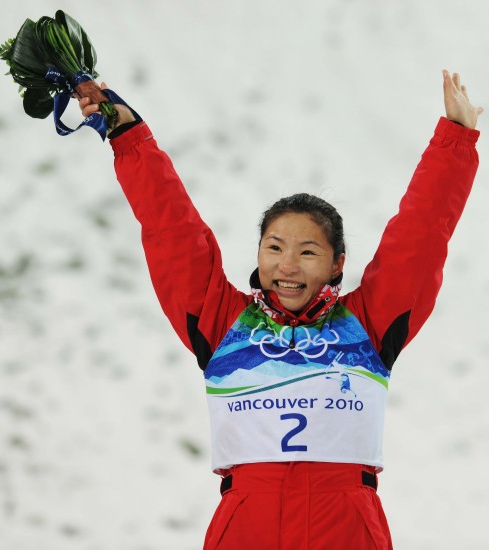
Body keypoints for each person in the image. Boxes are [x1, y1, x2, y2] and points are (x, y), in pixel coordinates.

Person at [78, 70, 482, 549]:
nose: (287, 266)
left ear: (337, 265)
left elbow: (419, 238)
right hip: (247, 529)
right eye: (274, 247)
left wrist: (455, 141)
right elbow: (173, 233)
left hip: (346, 529)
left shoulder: (367, 327)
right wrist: (128, 135)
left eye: (308, 252)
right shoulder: (223, 324)